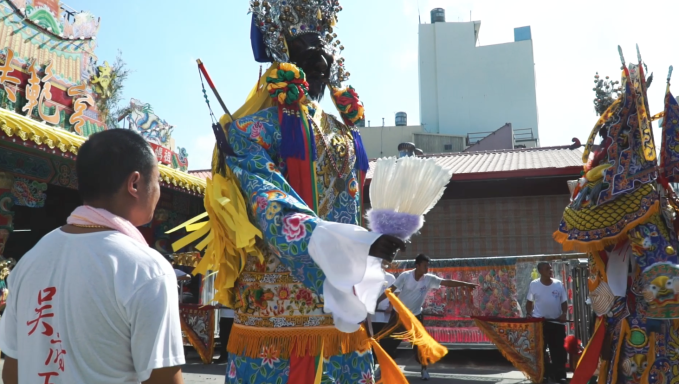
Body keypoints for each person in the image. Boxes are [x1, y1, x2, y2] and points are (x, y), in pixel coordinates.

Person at [179, 1, 408, 383]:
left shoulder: (344, 133)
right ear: (282, 54)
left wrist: (367, 246)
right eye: (307, 49)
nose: (320, 59)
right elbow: (267, 203)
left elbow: (350, 205)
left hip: (341, 305)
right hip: (276, 306)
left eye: (324, 49)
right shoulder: (250, 131)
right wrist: (355, 244)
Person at [0, 129, 185, 384]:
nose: (159, 192)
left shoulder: (30, 261)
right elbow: (163, 379)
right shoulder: (148, 270)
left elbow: (12, 368)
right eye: (157, 181)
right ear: (135, 184)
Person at [377, 254, 477, 381]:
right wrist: (376, 302)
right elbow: (390, 290)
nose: (427, 268)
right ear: (417, 265)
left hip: (416, 316)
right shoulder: (405, 276)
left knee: (420, 345)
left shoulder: (429, 279)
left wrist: (466, 284)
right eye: (424, 265)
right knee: (387, 342)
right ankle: (382, 367)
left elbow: (446, 282)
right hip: (399, 315)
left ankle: (424, 370)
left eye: (427, 265)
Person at [526, 262, 568, 384]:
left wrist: (564, 314)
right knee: (540, 351)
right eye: (547, 268)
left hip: (557, 323)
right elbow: (529, 302)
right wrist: (529, 314)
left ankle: (560, 375)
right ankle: (543, 375)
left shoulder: (558, 284)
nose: (550, 270)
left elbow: (564, 301)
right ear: (540, 271)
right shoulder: (534, 285)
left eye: (550, 268)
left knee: (558, 351)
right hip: (540, 324)